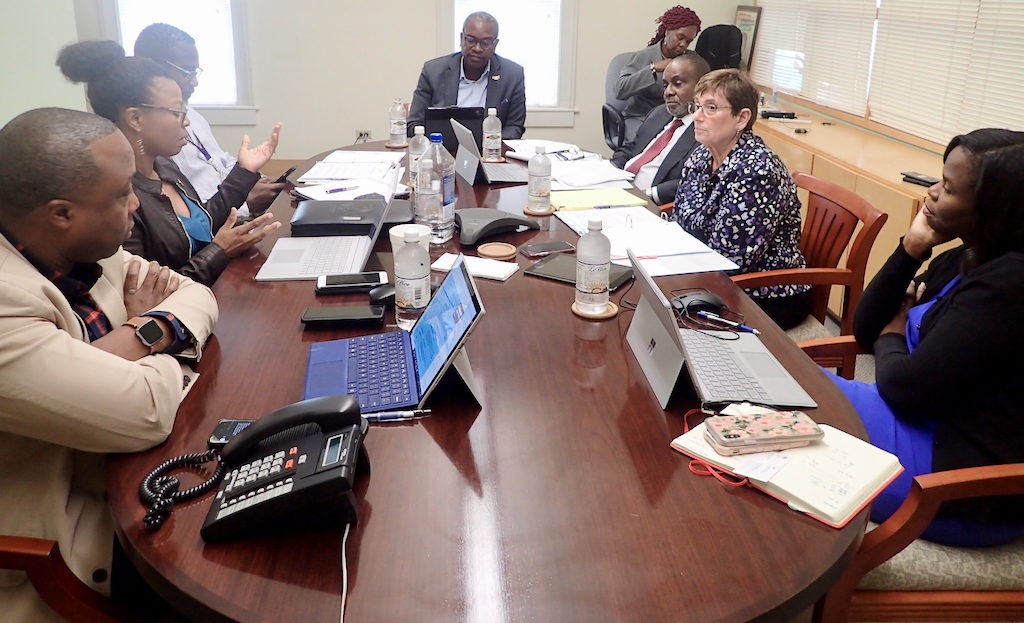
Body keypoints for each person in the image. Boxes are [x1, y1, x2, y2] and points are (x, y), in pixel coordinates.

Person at [0, 107, 218, 623]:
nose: (136, 208)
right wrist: (156, 348)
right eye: (122, 195)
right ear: (61, 213)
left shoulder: (86, 244)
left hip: (128, 480)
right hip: (69, 547)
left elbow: (195, 293)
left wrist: (143, 333)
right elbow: (145, 412)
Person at [830, 129, 1024, 546]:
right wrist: (913, 247)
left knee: (786, 406)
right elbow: (865, 327)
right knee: (772, 394)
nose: (932, 193)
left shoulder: (1010, 285)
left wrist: (894, 333)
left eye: (949, 189)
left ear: (995, 209)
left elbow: (902, 386)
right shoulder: (967, 255)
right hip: (921, 423)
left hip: (960, 481)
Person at [57, 40, 283, 287]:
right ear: (135, 118)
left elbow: (201, 222)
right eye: (177, 111)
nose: (186, 121)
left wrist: (244, 172)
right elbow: (146, 292)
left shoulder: (164, 166)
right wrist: (219, 251)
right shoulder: (117, 197)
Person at [673, 69, 811, 330]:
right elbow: (681, 222)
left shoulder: (757, 171)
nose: (697, 116)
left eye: (711, 108)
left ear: (741, 118)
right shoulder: (701, 155)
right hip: (710, 276)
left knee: (669, 320)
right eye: (697, 106)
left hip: (764, 293)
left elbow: (733, 261)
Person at [134, 23, 290, 215]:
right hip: (223, 218)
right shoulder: (152, 137)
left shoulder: (193, 114)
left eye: (196, 71)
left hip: (231, 205)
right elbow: (193, 215)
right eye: (187, 71)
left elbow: (218, 160)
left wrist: (253, 178)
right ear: (152, 66)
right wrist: (245, 204)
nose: (195, 81)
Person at [407, 11, 527, 139]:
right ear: (461, 39)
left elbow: (515, 127)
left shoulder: (512, 75)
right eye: (471, 40)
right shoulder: (433, 71)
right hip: (443, 151)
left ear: (495, 44)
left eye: (485, 43)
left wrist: (489, 143)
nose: (477, 48)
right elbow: (414, 124)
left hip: (490, 154)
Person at [611, 53, 710, 204]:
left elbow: (690, 181)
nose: (668, 92)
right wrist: (609, 171)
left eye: (677, 83)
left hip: (648, 204)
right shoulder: (659, 113)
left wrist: (647, 195)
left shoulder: (705, 131)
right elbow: (629, 149)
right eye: (665, 85)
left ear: (701, 87)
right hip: (617, 188)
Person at [614, 6, 701, 143]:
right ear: (667, 32)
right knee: (647, 145)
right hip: (641, 117)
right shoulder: (644, 56)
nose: (683, 44)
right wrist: (653, 68)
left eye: (688, 41)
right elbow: (620, 90)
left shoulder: (691, 60)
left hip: (676, 118)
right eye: (680, 38)